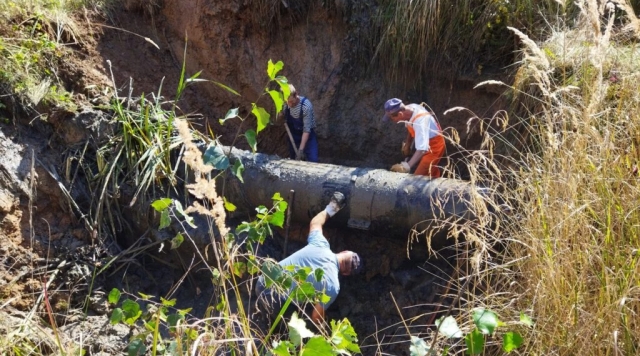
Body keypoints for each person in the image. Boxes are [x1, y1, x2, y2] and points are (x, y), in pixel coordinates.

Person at [255, 192, 362, 325]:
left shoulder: (321, 244)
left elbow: (315, 223)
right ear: (345, 273)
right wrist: (324, 326)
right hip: (276, 301)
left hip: (263, 280)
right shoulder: (333, 286)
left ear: (343, 251)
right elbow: (316, 317)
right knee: (291, 327)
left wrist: (332, 208)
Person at [381, 98, 445, 178]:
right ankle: (434, 182)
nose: (392, 121)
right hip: (426, 142)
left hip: (434, 147)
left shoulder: (420, 121)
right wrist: (408, 143)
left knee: (418, 178)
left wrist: (406, 166)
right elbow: (410, 125)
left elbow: (422, 149)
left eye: (392, 118)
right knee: (429, 171)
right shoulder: (409, 109)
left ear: (400, 114)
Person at [279, 84, 319, 162]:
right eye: (287, 102)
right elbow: (281, 114)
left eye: (291, 101)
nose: (289, 105)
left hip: (308, 137)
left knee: (313, 161)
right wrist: (280, 114)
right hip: (293, 137)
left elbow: (306, 130)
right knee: (294, 162)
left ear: (296, 94)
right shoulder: (286, 104)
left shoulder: (306, 106)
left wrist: (300, 150)